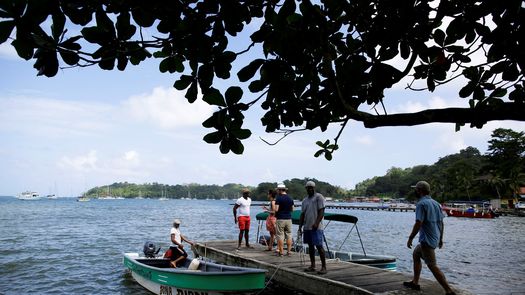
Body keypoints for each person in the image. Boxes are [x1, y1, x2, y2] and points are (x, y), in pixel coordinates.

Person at [405, 181, 456, 295]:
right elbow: (441, 223)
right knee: (416, 254)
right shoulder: (436, 204)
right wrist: (441, 239)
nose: (415, 191)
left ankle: (448, 290)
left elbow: (418, 223)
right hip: (434, 238)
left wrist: (410, 238)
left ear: (420, 191)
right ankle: (415, 282)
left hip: (427, 240)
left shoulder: (421, 204)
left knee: (432, 265)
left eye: (416, 189)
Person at [298, 181, 327, 274]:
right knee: (310, 246)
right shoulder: (304, 200)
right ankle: (312, 265)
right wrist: (300, 227)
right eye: (308, 187)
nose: (310, 189)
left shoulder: (319, 197)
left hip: (316, 227)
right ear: (306, 189)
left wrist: (316, 223)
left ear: (314, 188)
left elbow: (321, 211)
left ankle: (324, 267)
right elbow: (302, 214)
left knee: (319, 246)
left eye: (311, 187)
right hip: (307, 226)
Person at [274, 183, 294, 256]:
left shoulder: (279, 198)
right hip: (289, 219)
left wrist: (275, 214)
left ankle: (281, 252)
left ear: (280, 190)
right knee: (289, 235)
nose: (277, 192)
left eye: (278, 190)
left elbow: (276, 209)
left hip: (280, 219)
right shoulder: (290, 198)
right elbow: (292, 209)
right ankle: (289, 252)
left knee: (280, 235)